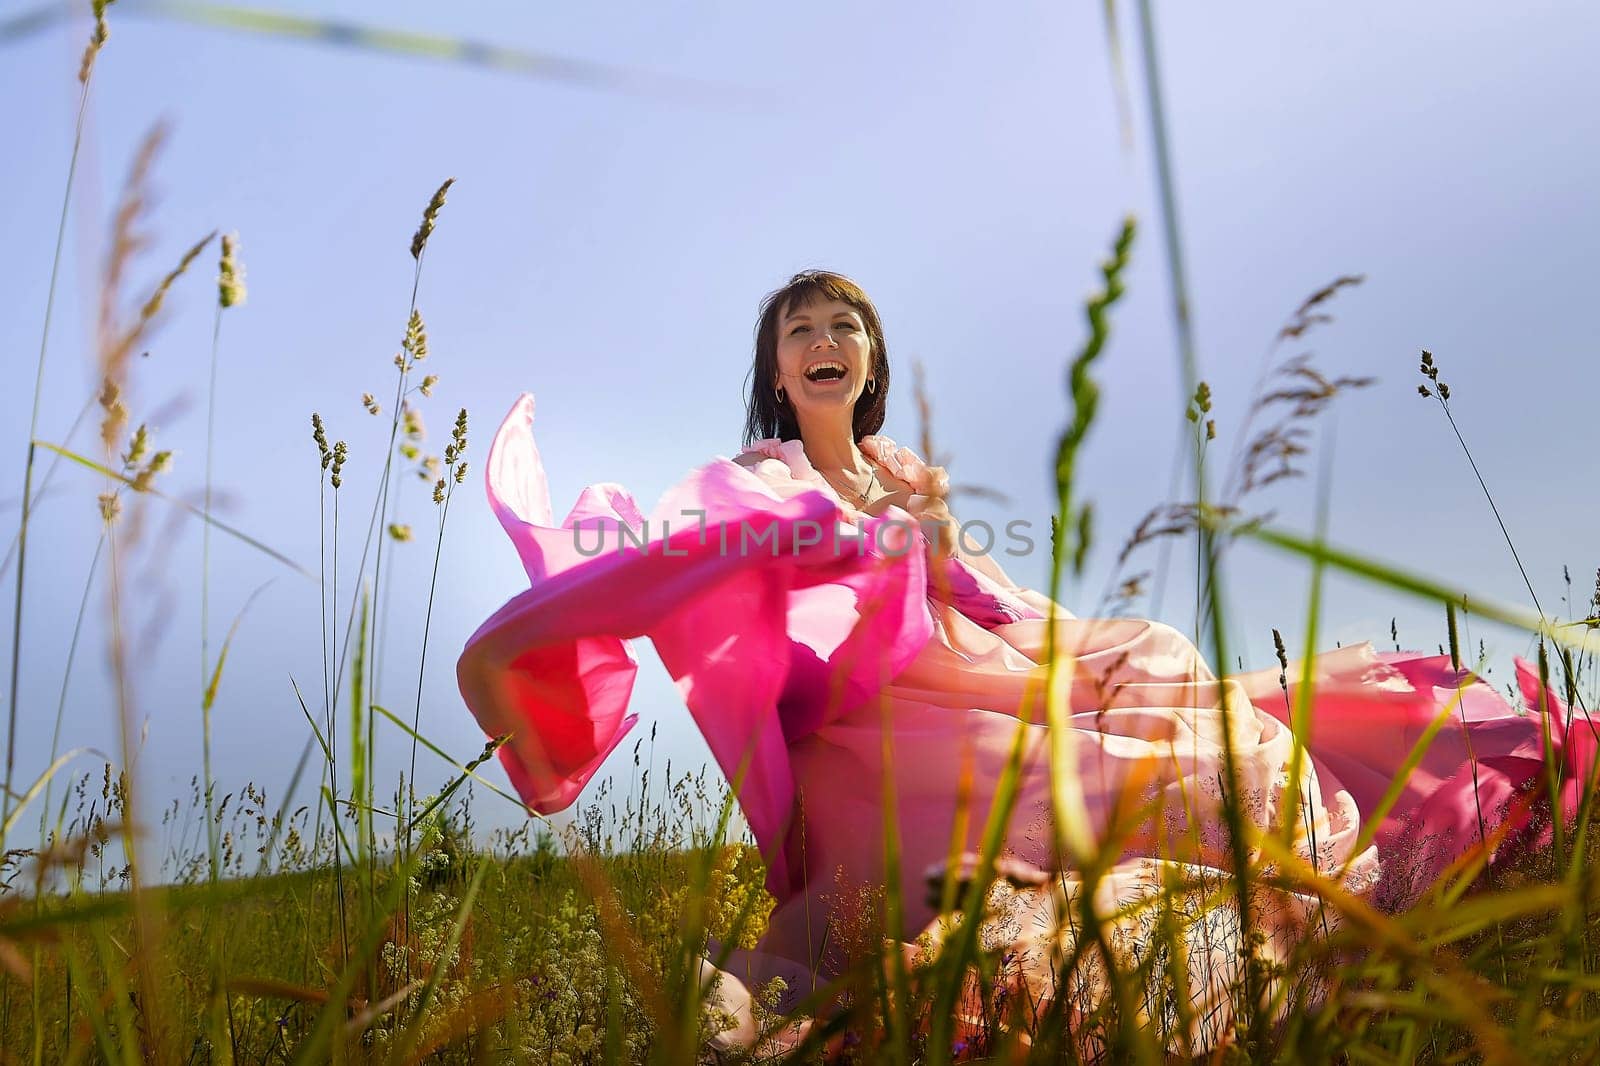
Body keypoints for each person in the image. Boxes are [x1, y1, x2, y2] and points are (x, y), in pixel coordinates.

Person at [456, 270, 1581, 1054]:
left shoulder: (908, 474)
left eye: (844, 324)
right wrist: (843, 546)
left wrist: (952, 559)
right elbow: (727, 566)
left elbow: (982, 596)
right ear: (777, 368)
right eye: (800, 330)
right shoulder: (755, 473)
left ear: (871, 358)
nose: (824, 341)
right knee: (1074, 786)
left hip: (964, 664)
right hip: (870, 709)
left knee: (1170, 682)